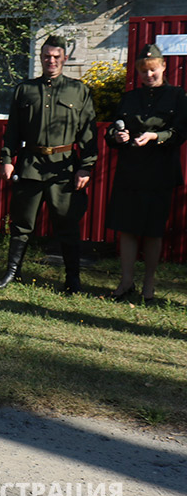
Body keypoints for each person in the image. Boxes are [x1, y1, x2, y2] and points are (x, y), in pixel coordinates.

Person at [0, 35, 98, 293]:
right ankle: (12, 272)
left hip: (63, 168)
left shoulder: (78, 90)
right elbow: (13, 130)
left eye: (56, 57)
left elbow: (88, 131)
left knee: (67, 224)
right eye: (46, 57)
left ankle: (72, 279)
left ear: (64, 58)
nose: (51, 61)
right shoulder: (25, 90)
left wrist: (86, 166)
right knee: (21, 224)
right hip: (30, 164)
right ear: (40, 58)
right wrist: (7, 159)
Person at [103, 43, 187, 302]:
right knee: (126, 229)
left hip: (158, 173)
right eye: (143, 71)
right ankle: (126, 282)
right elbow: (111, 132)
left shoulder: (177, 96)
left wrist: (155, 136)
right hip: (130, 171)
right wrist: (117, 135)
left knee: (152, 231)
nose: (148, 75)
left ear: (163, 66)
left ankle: (148, 285)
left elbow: (180, 133)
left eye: (152, 70)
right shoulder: (129, 99)